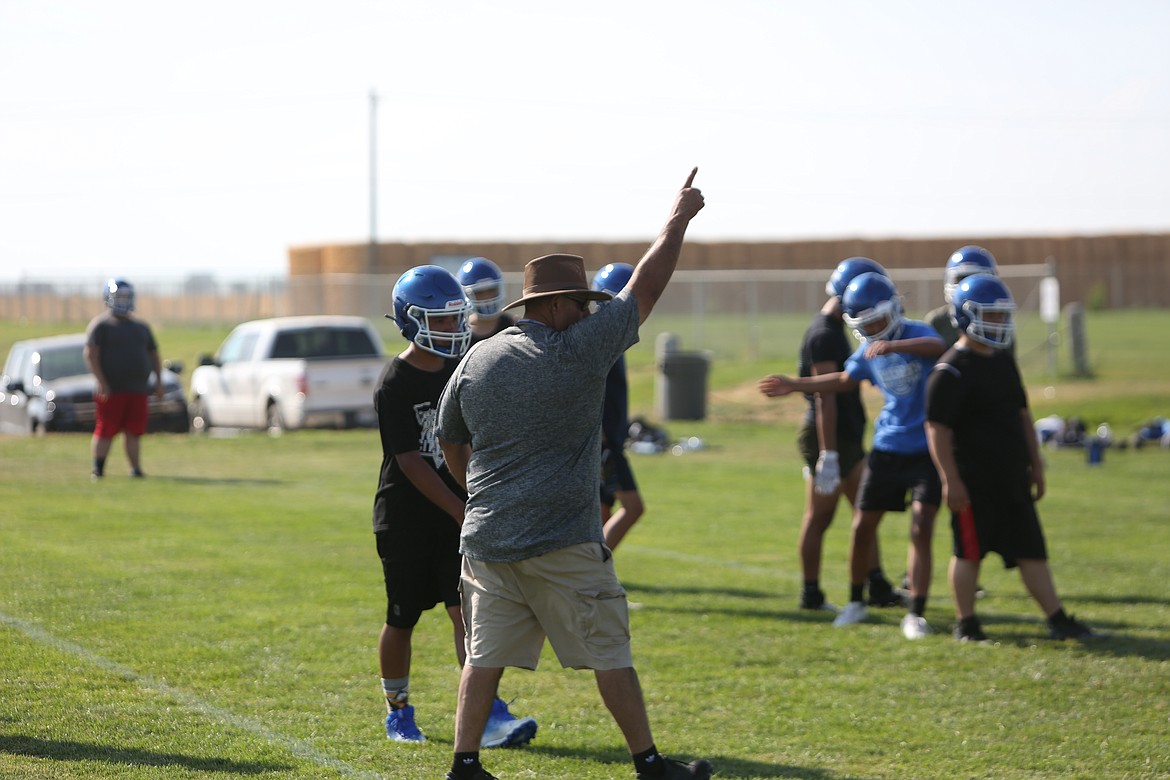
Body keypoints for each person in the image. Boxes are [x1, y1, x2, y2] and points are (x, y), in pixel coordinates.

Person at [436, 169, 710, 780]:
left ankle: (464, 764)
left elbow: (450, 440)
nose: (589, 314)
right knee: (610, 649)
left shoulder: (478, 357)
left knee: (483, 657)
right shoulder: (577, 351)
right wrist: (678, 220)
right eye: (582, 305)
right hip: (562, 538)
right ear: (556, 306)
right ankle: (649, 764)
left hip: (487, 538)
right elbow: (646, 287)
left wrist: (477, 491)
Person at [373, 265, 536, 748]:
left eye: (453, 319)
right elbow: (409, 462)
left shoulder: (460, 366)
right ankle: (398, 710)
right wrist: (460, 507)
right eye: (438, 321)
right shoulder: (394, 381)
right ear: (410, 320)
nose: (450, 329)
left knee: (465, 613)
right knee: (402, 617)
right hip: (407, 517)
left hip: (456, 511)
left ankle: (485, 711)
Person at [760, 272, 946, 640]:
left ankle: (916, 613)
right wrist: (795, 384)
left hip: (925, 449)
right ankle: (856, 601)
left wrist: (895, 348)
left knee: (922, 525)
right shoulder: (866, 349)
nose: (875, 328)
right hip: (887, 446)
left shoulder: (915, 332)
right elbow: (843, 381)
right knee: (862, 527)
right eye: (867, 324)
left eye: (879, 319)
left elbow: (937, 347)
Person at [925, 273, 1095, 643]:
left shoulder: (1002, 361)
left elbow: (1021, 414)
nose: (999, 322)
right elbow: (936, 429)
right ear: (966, 316)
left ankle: (1057, 618)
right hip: (973, 481)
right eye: (992, 314)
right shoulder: (949, 371)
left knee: (1032, 550)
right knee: (969, 553)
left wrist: (1035, 463)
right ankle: (966, 623)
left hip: (1011, 477)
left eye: (1002, 315)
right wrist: (950, 479)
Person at [757, 257, 899, 613]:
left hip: (844, 432)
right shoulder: (824, 334)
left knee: (864, 511)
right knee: (820, 516)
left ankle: (878, 584)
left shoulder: (833, 329)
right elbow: (826, 399)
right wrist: (829, 453)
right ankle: (811, 593)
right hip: (830, 435)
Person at [84, 278, 164, 479]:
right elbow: (91, 354)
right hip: (111, 389)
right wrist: (102, 382)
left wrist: (159, 381)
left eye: (126, 297)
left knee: (134, 431)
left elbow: (154, 354)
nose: (123, 301)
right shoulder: (101, 325)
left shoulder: (141, 326)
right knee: (106, 429)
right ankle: (98, 469)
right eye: (119, 297)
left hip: (137, 388)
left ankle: (135, 469)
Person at [591, 262, 645, 551]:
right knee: (630, 507)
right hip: (602, 443)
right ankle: (595, 573)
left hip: (611, 440)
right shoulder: (597, 342)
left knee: (603, 512)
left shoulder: (615, 340)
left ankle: (595, 579)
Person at [457, 257, 515, 345]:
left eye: (491, 289)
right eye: (479, 292)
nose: (487, 296)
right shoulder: (458, 333)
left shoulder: (514, 325)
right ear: (466, 295)